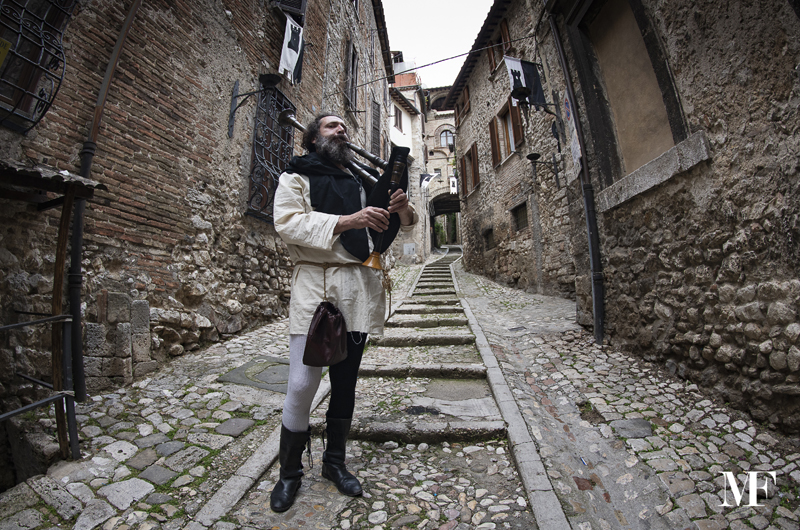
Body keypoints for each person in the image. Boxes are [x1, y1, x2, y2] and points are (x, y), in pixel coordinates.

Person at [270, 113, 418, 512]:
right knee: (302, 382)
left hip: (357, 286)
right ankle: (289, 473)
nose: (341, 130)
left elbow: (404, 225)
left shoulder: (361, 180)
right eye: (331, 126)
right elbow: (288, 223)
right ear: (313, 139)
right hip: (315, 283)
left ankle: (334, 463)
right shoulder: (295, 176)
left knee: (345, 381)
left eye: (343, 126)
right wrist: (349, 220)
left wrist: (403, 209)